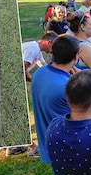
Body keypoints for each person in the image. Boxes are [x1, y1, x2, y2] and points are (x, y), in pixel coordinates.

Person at [31, 35, 80, 163]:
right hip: (68, 152)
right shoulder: (68, 88)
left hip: (48, 146)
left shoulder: (38, 74)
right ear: (76, 56)